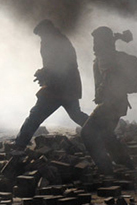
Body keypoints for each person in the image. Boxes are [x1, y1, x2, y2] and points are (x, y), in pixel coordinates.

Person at [14, 19, 88, 150]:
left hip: (58, 88)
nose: (41, 38)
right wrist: (44, 73)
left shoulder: (56, 42)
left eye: (41, 34)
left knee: (35, 116)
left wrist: (44, 74)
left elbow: (60, 66)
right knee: (76, 115)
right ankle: (103, 133)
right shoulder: (58, 40)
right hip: (66, 87)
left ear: (47, 31)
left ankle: (19, 146)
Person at [80, 26, 137, 175]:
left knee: (87, 133)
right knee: (106, 135)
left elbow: (110, 74)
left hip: (110, 105)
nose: (94, 46)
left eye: (96, 42)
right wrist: (117, 38)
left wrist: (116, 38)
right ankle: (125, 164)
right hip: (117, 104)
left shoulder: (107, 58)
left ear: (103, 42)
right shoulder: (107, 56)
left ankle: (105, 168)